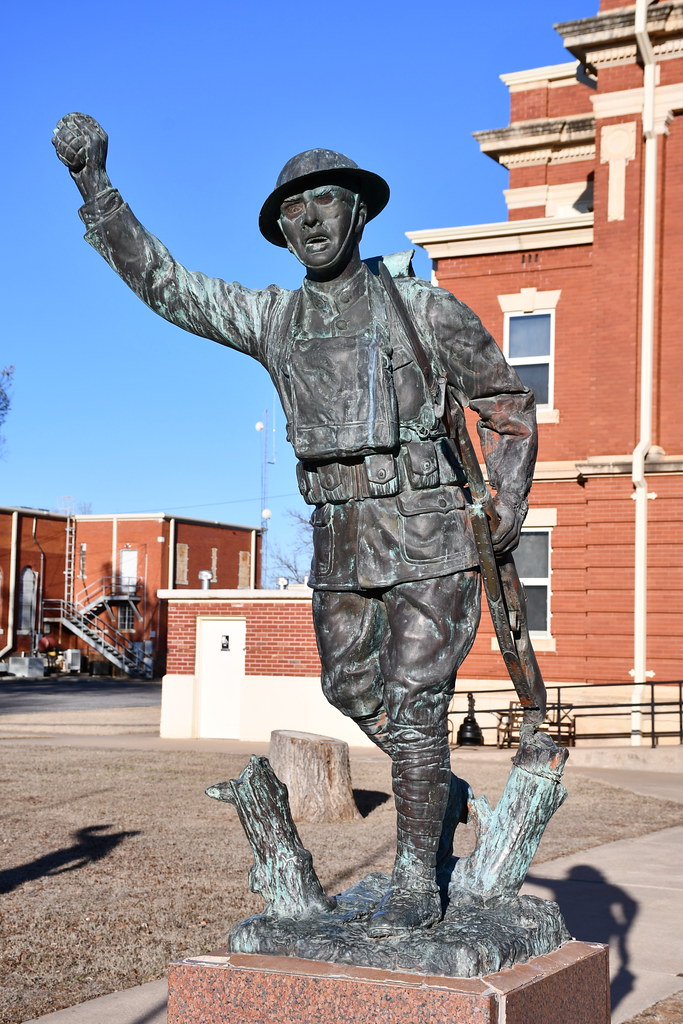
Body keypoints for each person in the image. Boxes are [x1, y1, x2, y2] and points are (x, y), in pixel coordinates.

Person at [53, 113, 537, 935]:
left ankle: (417, 876)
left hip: (426, 526)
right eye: (293, 210)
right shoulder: (274, 319)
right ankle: (436, 787)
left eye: (325, 201)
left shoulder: (424, 308)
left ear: (359, 211)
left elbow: (507, 407)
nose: (310, 219)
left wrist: (505, 503)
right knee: (349, 687)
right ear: (280, 231)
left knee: (416, 703)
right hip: (339, 533)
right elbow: (165, 284)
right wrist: (93, 184)